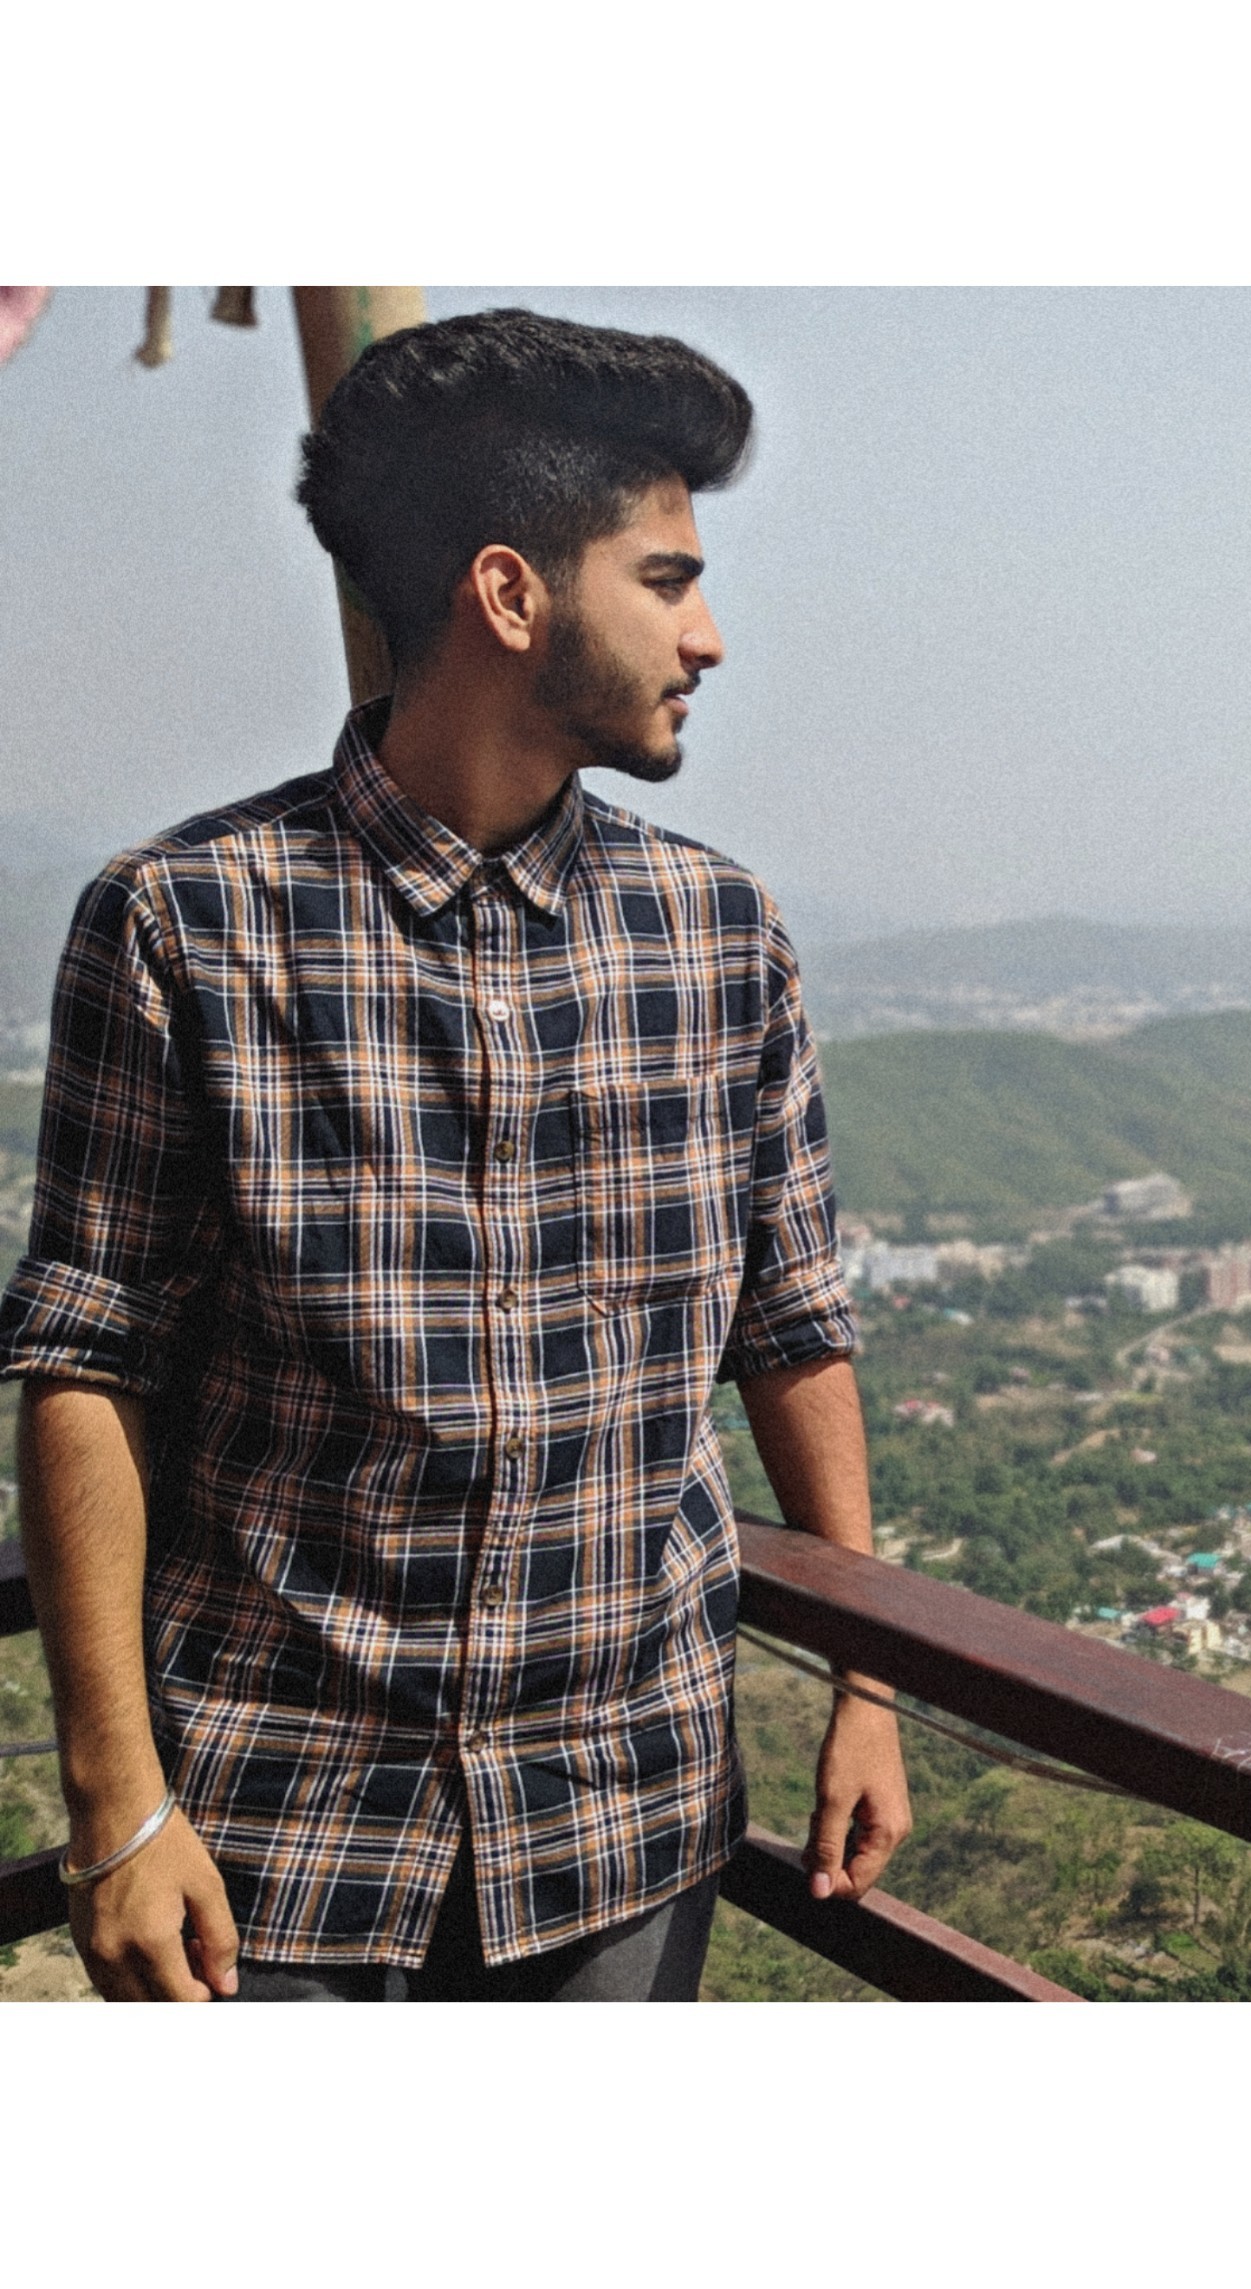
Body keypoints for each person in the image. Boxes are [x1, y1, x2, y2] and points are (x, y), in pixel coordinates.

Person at [2, 307, 910, 2001]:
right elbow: (86, 1358)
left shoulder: (719, 937)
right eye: (665, 579)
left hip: (623, 1817)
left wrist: (869, 1678)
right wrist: (115, 1802)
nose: (707, 636)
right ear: (510, 593)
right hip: (276, 1833)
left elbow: (791, 1321)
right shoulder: (187, 924)